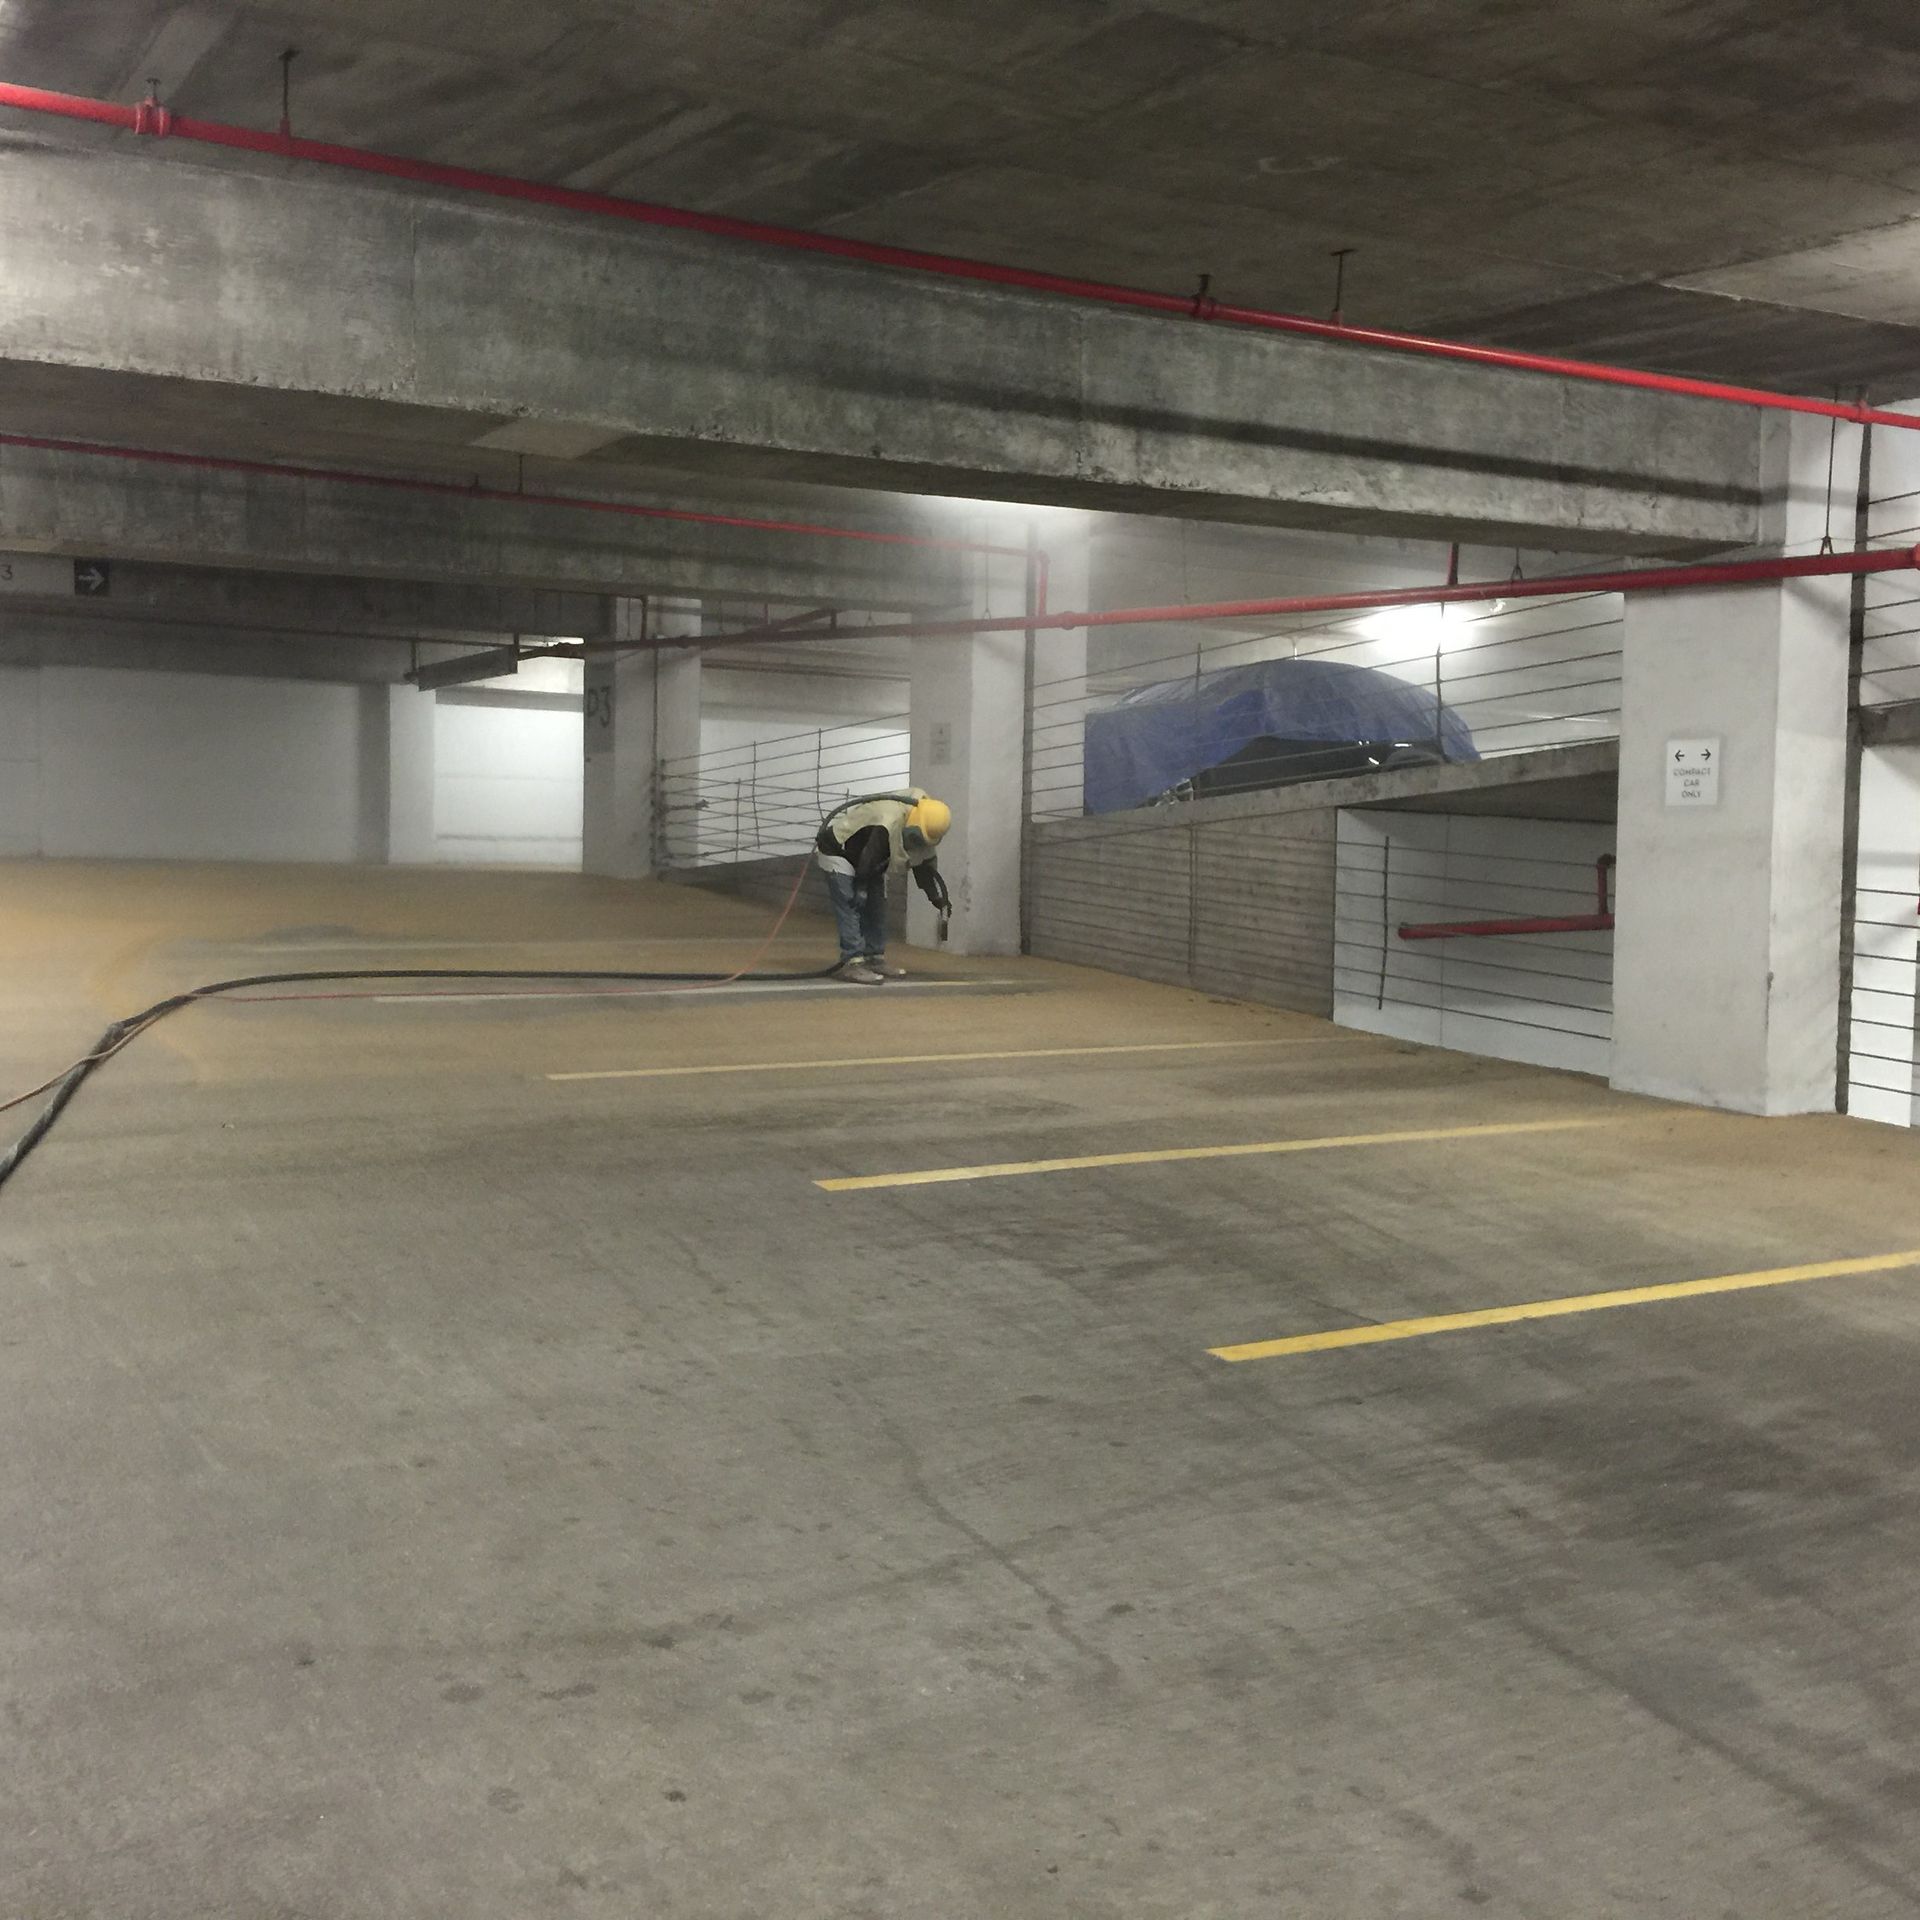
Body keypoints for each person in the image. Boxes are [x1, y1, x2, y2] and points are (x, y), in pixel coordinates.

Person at [814, 788, 952, 983]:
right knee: (850, 905)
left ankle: (874, 958)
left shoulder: (926, 818)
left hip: (871, 860)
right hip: (840, 850)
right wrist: (861, 889)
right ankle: (851, 963)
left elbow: (923, 866)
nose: (918, 843)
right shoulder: (889, 821)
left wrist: (936, 898)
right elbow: (870, 855)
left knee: (877, 906)